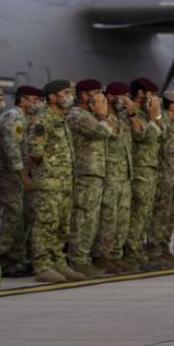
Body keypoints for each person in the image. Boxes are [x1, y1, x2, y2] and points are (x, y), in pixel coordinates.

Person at [26, 80, 78, 283]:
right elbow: (35, 150)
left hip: (64, 183)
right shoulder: (44, 118)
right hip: (49, 182)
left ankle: (58, 262)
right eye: (65, 93)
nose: (69, 96)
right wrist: (48, 167)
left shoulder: (61, 118)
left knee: (62, 226)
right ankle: (42, 266)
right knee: (45, 224)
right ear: (53, 96)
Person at [0, 86, 42, 277]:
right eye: (34, 99)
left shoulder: (24, 118)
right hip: (10, 175)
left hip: (17, 174)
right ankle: (2, 259)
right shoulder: (14, 117)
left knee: (20, 217)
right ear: (23, 100)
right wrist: (23, 176)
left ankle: (17, 258)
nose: (37, 103)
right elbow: (11, 148)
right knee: (12, 216)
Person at [66, 79, 112, 276]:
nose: (101, 97)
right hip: (85, 173)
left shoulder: (89, 115)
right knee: (84, 217)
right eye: (96, 93)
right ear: (84, 96)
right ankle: (78, 259)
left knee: (91, 217)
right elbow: (103, 131)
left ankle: (84, 257)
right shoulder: (78, 115)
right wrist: (102, 114)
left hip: (95, 173)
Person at [95, 82, 134, 270]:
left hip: (124, 174)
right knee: (108, 217)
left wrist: (132, 113)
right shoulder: (103, 117)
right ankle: (102, 254)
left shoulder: (123, 118)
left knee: (122, 217)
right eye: (122, 96)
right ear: (110, 97)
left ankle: (116, 253)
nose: (125, 101)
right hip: (110, 174)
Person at [125, 77, 163, 269]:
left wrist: (155, 118)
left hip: (149, 168)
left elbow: (161, 134)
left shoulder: (147, 114)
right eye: (151, 94)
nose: (154, 98)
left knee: (145, 213)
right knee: (138, 213)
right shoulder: (133, 113)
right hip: (139, 169)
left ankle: (138, 251)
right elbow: (144, 136)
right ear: (140, 94)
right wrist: (153, 117)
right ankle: (132, 254)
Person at [148, 90, 174, 265]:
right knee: (159, 216)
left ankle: (164, 249)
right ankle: (155, 251)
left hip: (171, 176)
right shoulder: (161, 121)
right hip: (161, 176)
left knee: (169, 216)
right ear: (172, 105)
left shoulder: (172, 124)